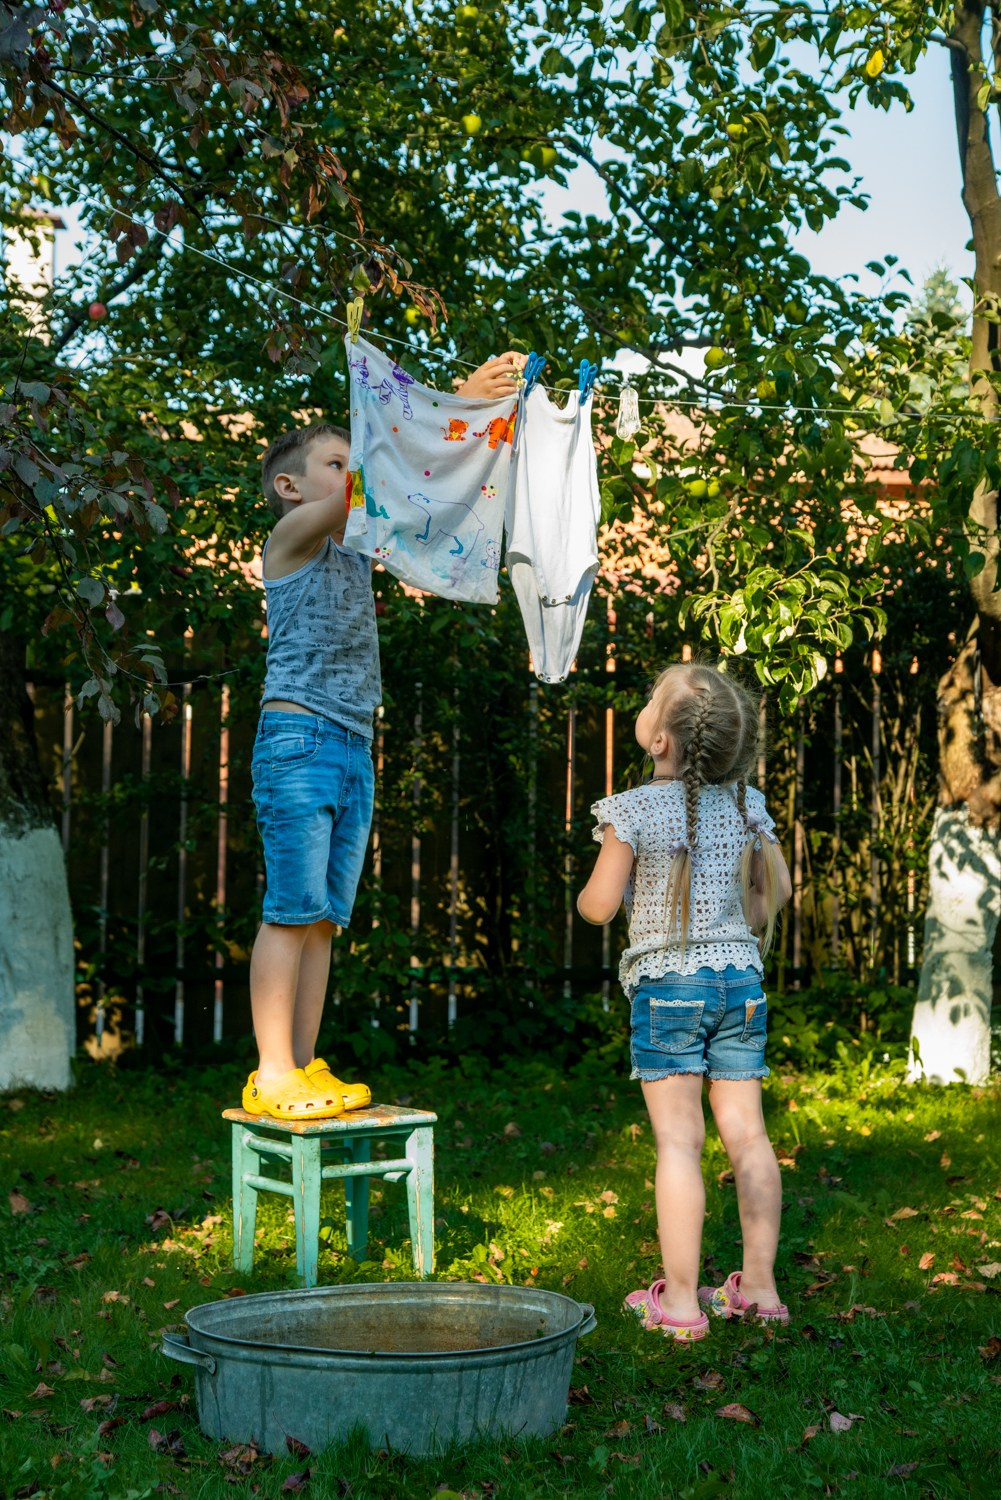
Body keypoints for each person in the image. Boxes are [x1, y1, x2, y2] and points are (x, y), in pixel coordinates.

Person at [244, 351, 526, 1120]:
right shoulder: (292, 539)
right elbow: (384, 474)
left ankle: (301, 1066)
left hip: (350, 746)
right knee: (290, 908)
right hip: (298, 739)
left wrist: (467, 424)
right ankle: (271, 1071)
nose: (352, 470)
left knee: (325, 920)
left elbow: (418, 486)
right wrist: (457, 400)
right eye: (335, 461)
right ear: (290, 486)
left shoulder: (355, 542)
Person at [577, 662, 793, 1340]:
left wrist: (592, 890)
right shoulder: (746, 807)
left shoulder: (633, 811)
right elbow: (771, 901)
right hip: (740, 983)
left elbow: (598, 906)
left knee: (678, 1141)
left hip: (669, 987)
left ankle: (676, 1303)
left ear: (661, 741)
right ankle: (757, 1290)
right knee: (749, 1136)